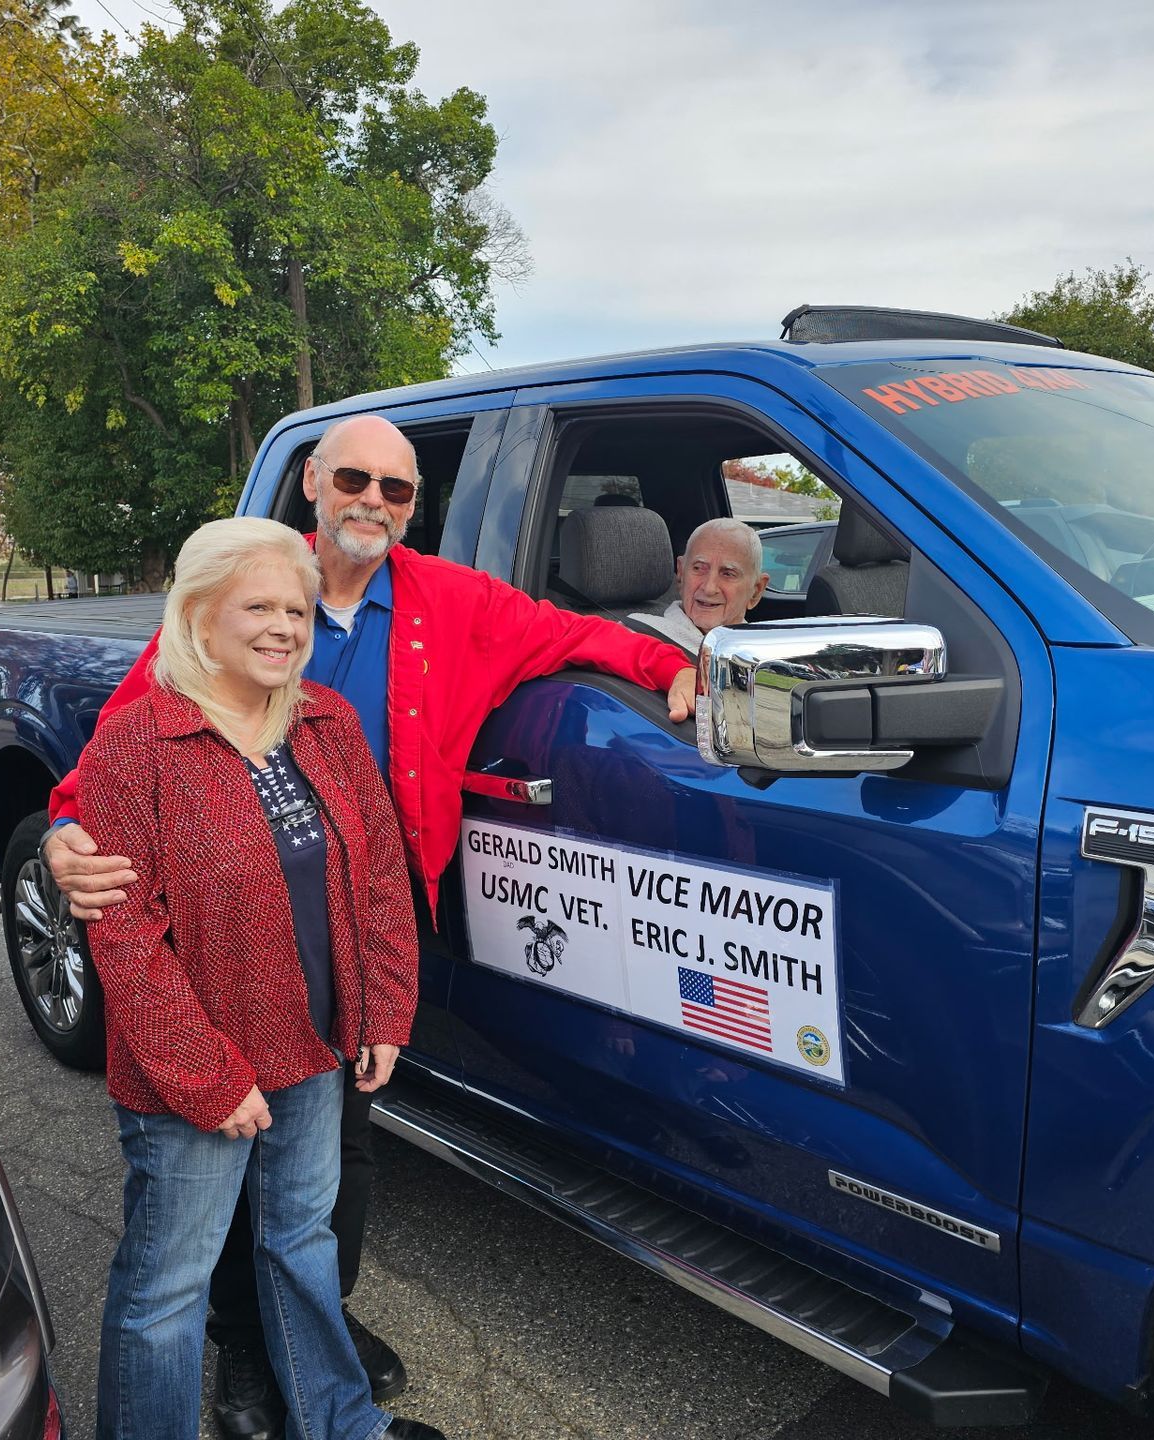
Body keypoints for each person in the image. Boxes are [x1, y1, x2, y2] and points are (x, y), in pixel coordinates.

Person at [43, 414, 695, 1439]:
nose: (375, 503)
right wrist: (63, 839)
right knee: (191, 1223)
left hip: (342, 952)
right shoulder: (220, 630)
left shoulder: (432, 618)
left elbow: (573, 637)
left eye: (398, 490)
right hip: (217, 968)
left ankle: (315, 1369)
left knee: (328, 1181)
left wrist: (669, 669)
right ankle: (246, 1357)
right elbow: (103, 791)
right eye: (355, 479)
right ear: (312, 482)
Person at [79, 517, 439, 1440]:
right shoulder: (134, 747)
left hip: (316, 1048)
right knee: (168, 1283)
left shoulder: (327, 722)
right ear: (198, 617)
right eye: (259, 607)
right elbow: (123, 936)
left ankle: (340, 1422)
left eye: (298, 609)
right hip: (194, 1071)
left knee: (301, 1246)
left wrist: (384, 1007)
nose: (284, 627)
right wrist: (207, 1075)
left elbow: (380, 882)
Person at [631, 517, 771, 652]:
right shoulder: (637, 636)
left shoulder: (768, 653)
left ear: (756, 591)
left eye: (728, 573)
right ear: (681, 574)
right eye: (698, 568)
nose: (709, 588)